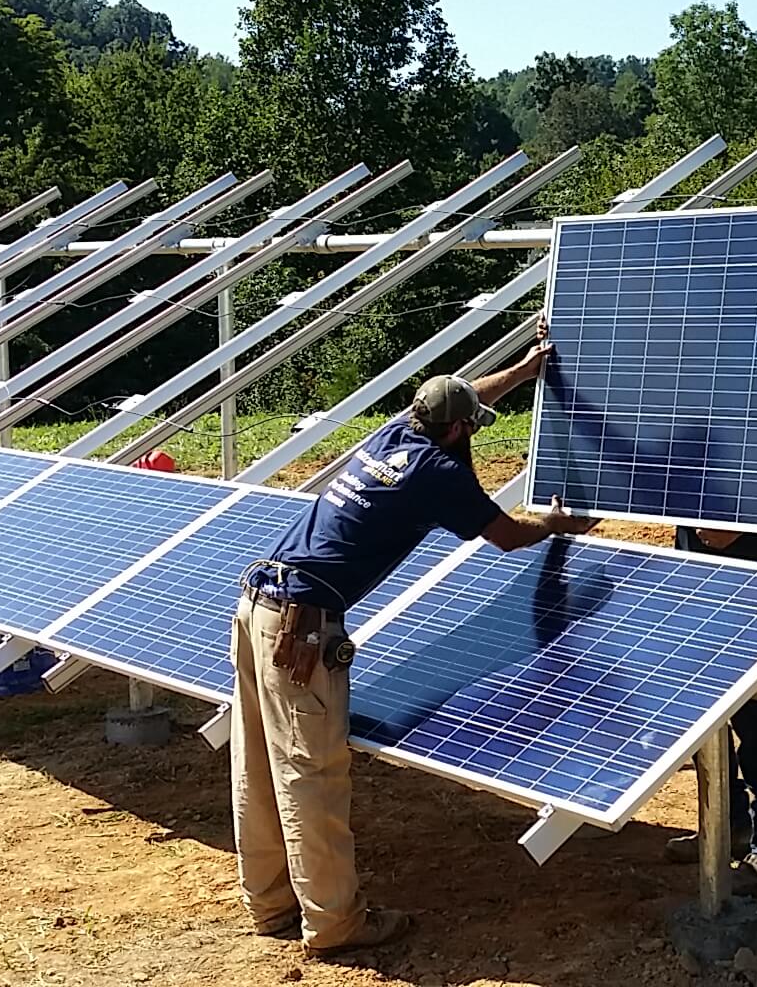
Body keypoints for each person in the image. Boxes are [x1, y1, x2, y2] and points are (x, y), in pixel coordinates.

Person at [231, 325, 596, 958]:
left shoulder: (397, 433)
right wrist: (563, 523)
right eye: (472, 425)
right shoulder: (437, 472)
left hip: (256, 602)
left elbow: (462, 395)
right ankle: (335, 924)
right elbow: (508, 535)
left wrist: (525, 367)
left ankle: (268, 903)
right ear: (457, 431)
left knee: (258, 761)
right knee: (310, 774)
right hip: (302, 627)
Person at [661, 525, 757, 885]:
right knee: (701, 717)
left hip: (748, 587)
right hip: (693, 579)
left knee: (755, 720)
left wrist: (742, 523)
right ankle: (726, 826)